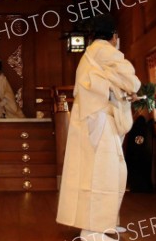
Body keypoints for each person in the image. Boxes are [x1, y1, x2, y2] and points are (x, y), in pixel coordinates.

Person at [57, 14, 140, 241]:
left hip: (89, 117)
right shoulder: (104, 49)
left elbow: (109, 82)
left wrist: (121, 90)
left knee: (98, 170)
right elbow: (131, 80)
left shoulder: (90, 53)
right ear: (113, 36)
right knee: (103, 172)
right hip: (100, 118)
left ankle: (105, 222)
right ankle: (93, 231)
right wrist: (131, 89)